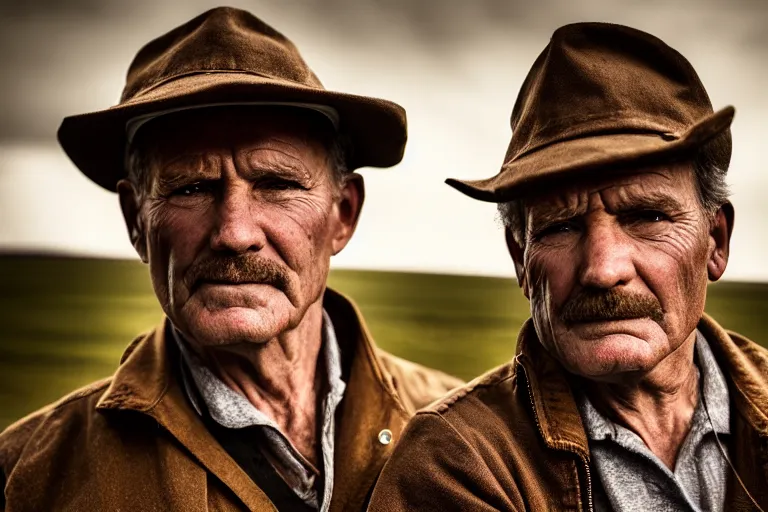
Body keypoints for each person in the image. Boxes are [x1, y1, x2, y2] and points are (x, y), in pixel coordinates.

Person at [0, 7, 461, 512]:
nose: (234, 233)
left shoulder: (463, 435)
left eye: (277, 184)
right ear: (137, 220)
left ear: (343, 214)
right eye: (192, 187)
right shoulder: (29, 476)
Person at [369, 22, 768, 511]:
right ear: (521, 259)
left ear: (715, 241)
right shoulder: (459, 462)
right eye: (560, 226)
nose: (602, 269)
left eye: (646, 216)